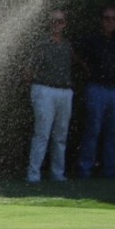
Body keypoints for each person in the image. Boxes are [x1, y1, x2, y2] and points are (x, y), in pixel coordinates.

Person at [76, 5, 115, 178]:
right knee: (93, 129)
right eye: (107, 18)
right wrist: (87, 69)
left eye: (113, 18)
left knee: (112, 132)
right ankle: (85, 169)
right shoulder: (92, 40)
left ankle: (110, 171)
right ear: (101, 20)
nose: (110, 21)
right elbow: (77, 55)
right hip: (96, 88)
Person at [24, 9, 76, 183]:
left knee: (60, 136)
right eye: (54, 21)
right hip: (44, 90)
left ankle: (57, 174)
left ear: (65, 24)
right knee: (42, 134)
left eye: (60, 21)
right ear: (49, 23)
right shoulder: (41, 44)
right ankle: (33, 174)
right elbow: (29, 70)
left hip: (65, 92)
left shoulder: (67, 45)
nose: (57, 24)